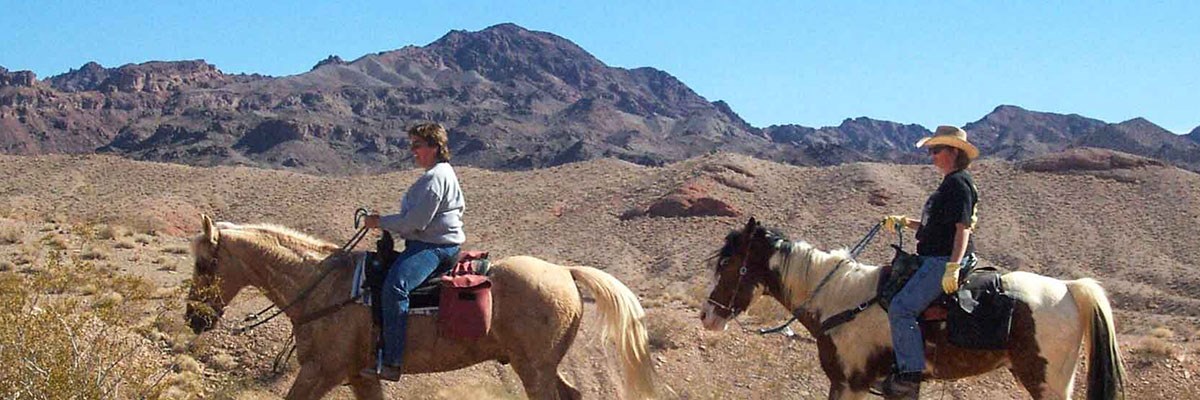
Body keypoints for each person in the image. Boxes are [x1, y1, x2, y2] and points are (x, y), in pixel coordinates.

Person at [875, 125, 980, 398]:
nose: (931, 155)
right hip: (935, 257)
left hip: (942, 260)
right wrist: (904, 222)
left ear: (953, 152)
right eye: (931, 150)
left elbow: (962, 228)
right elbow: (935, 227)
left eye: (936, 150)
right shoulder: (949, 184)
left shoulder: (959, 183)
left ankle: (908, 379)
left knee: (901, 308)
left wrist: (953, 266)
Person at [360, 122, 465, 381]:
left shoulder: (434, 179)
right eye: (412, 145)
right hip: (432, 243)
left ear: (435, 146)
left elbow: (414, 223)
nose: (413, 151)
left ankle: (393, 361)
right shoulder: (440, 174)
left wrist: (379, 222)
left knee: (395, 286)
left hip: (434, 247)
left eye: (418, 145)